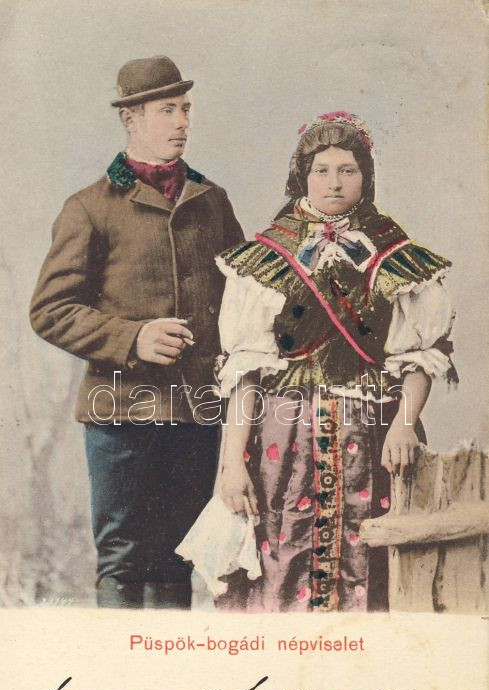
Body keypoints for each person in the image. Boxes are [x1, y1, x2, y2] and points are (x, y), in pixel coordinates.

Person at [214, 111, 456, 612]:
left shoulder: (394, 252)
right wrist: (231, 464)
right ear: (302, 177)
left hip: (375, 433)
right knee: (283, 553)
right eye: (321, 170)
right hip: (284, 437)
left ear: (366, 176)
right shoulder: (266, 256)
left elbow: (420, 356)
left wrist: (405, 424)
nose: (334, 182)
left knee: (376, 558)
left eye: (347, 170)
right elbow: (245, 370)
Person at [29, 55, 243, 609]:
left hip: (196, 411)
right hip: (121, 410)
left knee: (178, 558)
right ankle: (116, 660)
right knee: (123, 560)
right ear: (130, 118)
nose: (182, 122)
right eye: (167, 110)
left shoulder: (211, 201)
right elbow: (50, 310)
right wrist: (133, 338)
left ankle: (163, 664)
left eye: (186, 108)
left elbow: (245, 301)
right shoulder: (90, 208)